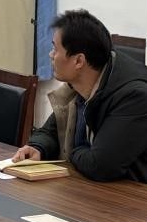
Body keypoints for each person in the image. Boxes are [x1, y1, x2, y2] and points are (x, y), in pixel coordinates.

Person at [12, 10, 147, 182]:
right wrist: (38, 148)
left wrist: (72, 150)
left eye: (55, 49)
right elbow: (50, 131)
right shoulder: (79, 86)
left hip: (129, 194)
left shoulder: (134, 97)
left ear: (79, 61)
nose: (51, 55)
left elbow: (100, 165)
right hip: (92, 187)